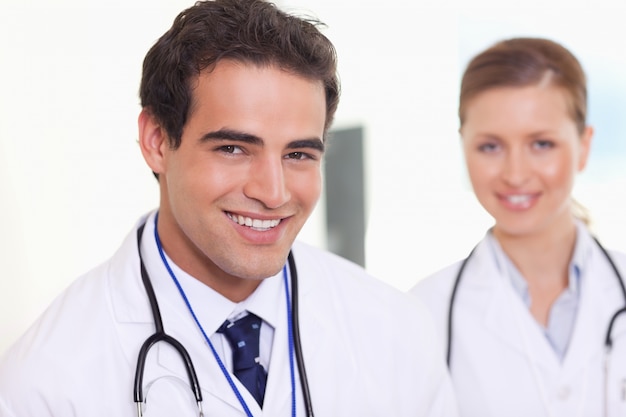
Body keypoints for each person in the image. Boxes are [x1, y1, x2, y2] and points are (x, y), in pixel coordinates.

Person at [0, 1, 458, 416]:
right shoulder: (46, 383)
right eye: (235, 149)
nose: (273, 192)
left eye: (298, 154)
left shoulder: (397, 333)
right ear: (157, 142)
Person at [410, 37, 626, 417]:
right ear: (463, 147)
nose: (515, 174)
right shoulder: (422, 312)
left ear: (585, 146)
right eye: (490, 147)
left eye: (541, 144)